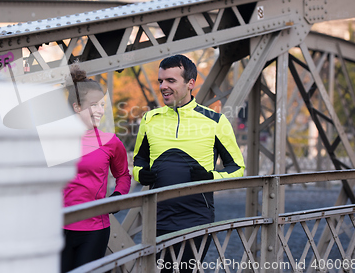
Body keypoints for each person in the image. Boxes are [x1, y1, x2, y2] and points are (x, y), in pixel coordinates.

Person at [132, 54, 245, 272]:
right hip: (156, 218)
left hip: (196, 218)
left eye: (171, 81)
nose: (163, 86)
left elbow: (237, 168)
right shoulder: (149, 119)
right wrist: (140, 173)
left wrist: (211, 177)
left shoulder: (215, 121)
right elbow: (140, 160)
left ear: (190, 83)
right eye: (160, 81)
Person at [61, 66, 131, 273]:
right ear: (76, 107)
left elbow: (123, 176)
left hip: (94, 229)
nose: (100, 110)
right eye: (94, 105)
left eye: (102, 104)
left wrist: (117, 197)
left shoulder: (111, 142)